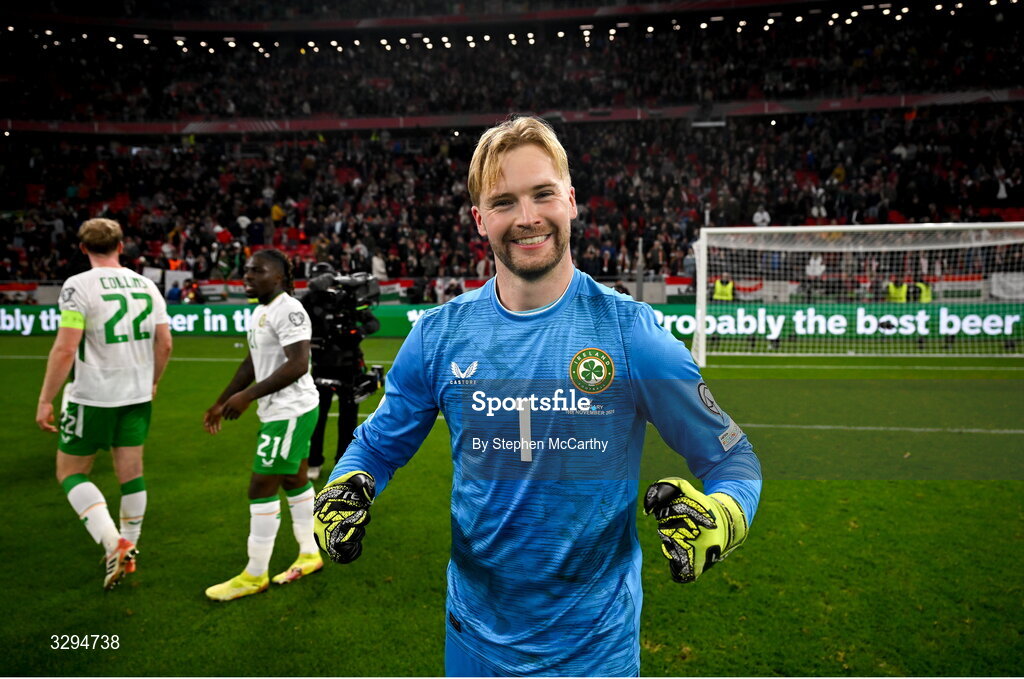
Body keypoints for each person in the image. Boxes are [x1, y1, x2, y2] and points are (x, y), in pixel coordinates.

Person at [312, 116, 762, 676]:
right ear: (480, 219)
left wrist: (724, 515)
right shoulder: (437, 337)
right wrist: (347, 485)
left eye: (542, 194)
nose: (526, 218)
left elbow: (731, 458)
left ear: (570, 200)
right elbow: (376, 448)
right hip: (472, 642)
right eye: (503, 202)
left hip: (594, 654)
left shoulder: (632, 336)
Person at [35, 218, 173, 589]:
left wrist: (46, 399)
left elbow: (66, 347)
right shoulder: (147, 285)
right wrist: (153, 381)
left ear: (82, 248)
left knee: (71, 472)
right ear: (121, 245)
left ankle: (114, 543)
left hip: (93, 395)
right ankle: (131, 547)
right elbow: (166, 344)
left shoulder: (77, 285)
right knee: (131, 472)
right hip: (136, 393)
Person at [202, 249, 323, 601]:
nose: (248, 276)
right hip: (283, 410)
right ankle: (309, 553)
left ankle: (254, 574)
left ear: (281, 278)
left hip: (290, 410)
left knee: (260, 486)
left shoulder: (289, 308)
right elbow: (251, 363)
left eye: (257, 271)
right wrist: (224, 399)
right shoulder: (262, 311)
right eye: (247, 271)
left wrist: (248, 397)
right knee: (294, 480)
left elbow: (298, 364)